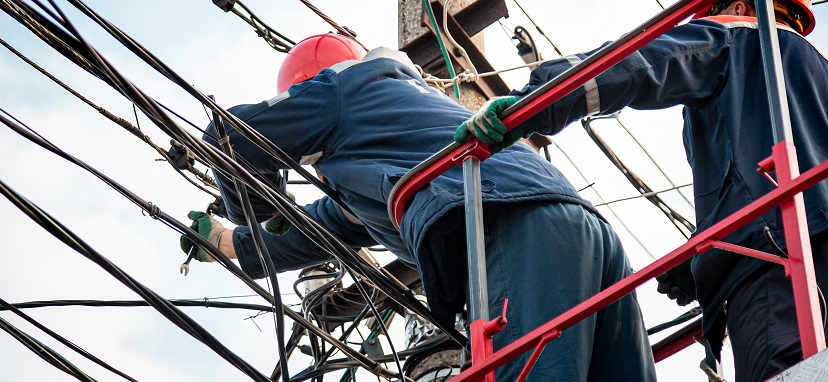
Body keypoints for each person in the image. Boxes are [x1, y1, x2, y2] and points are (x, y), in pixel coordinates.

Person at [181, 33, 657, 382]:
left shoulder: (341, 91)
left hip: (511, 227)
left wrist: (259, 204)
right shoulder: (382, 156)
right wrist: (223, 241)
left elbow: (230, 134)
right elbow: (309, 233)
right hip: (587, 234)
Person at [458, 0, 828, 381]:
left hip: (774, 262)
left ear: (742, 6)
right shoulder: (819, 73)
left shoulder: (738, 38)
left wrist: (534, 102)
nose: (707, 24)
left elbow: (639, 63)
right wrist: (702, 258)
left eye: (711, 15)